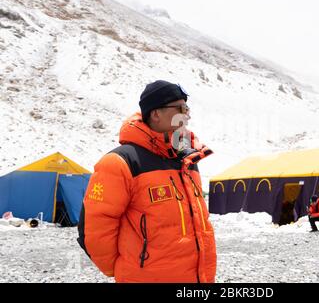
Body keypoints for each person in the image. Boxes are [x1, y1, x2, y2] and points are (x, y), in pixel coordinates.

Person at [77, 80, 217, 283]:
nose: (187, 114)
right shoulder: (121, 162)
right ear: (155, 113)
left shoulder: (187, 159)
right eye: (180, 108)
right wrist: (126, 268)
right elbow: (95, 227)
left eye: (187, 108)